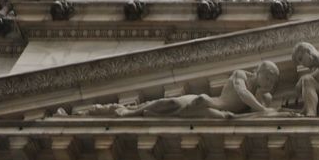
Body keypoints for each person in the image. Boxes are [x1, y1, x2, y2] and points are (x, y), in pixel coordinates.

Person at [69, 61, 282, 118]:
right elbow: (243, 94)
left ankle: (139, 112)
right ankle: (128, 112)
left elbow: (265, 110)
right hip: (206, 102)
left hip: (214, 114)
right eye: (269, 77)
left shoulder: (263, 95)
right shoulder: (241, 75)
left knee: (160, 109)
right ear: (258, 70)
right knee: (170, 103)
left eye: (273, 81)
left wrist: (266, 105)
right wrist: (263, 111)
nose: (270, 82)